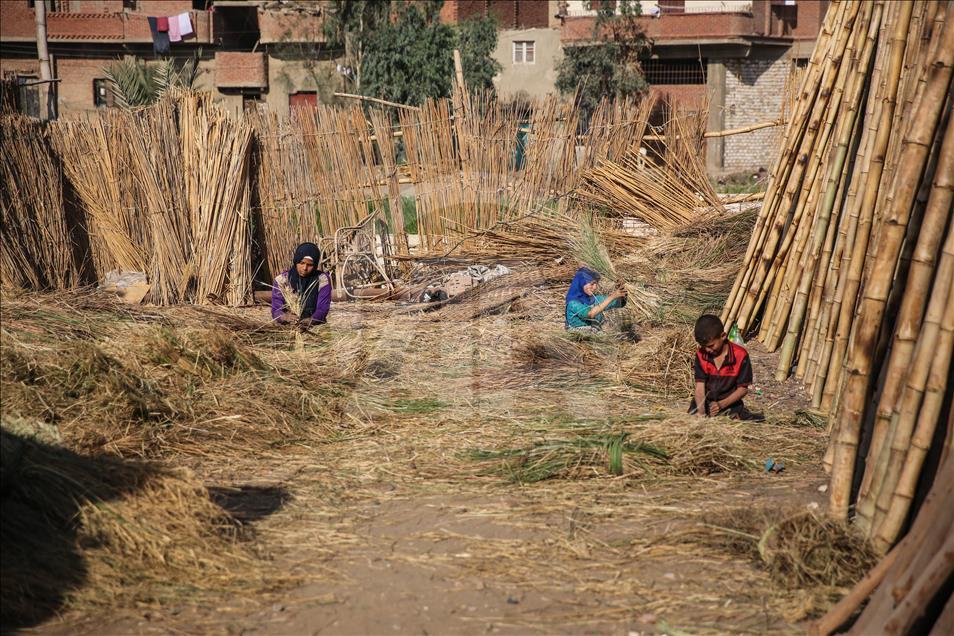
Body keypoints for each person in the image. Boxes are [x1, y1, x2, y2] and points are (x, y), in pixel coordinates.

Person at [689, 314, 763, 420]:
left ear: (723, 336)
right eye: (703, 346)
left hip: (730, 406)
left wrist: (721, 405)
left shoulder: (740, 355)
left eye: (710, 346)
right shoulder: (701, 355)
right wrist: (701, 413)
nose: (707, 350)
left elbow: (743, 389)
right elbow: (700, 387)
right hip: (704, 404)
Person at [271, 242, 331, 330]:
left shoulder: (322, 279)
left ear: (315, 265)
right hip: (287, 328)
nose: (305, 268)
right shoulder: (282, 280)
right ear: (296, 261)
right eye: (301, 263)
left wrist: (311, 320)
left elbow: (322, 309)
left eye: (310, 265)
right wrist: (285, 317)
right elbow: (276, 310)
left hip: (315, 328)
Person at [564, 267, 627, 332]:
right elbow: (590, 314)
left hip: (596, 337)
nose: (595, 287)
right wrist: (612, 297)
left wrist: (622, 291)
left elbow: (620, 303)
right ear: (581, 283)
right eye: (592, 284)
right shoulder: (573, 303)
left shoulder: (595, 299)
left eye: (596, 284)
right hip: (580, 339)